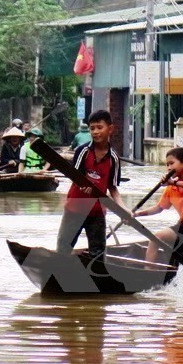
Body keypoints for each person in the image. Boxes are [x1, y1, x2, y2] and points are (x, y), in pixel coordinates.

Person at [56, 109, 129, 259]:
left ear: (110, 129)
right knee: (63, 248)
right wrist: (83, 186)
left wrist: (123, 210)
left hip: (97, 212)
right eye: (92, 128)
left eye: (99, 127)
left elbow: (113, 188)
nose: (95, 132)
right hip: (74, 209)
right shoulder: (83, 151)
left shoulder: (114, 158)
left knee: (98, 255)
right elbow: (75, 177)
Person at [133, 147, 183, 269]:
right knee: (155, 238)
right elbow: (159, 208)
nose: (169, 168)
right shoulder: (171, 188)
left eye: (172, 163)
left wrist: (173, 182)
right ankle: (148, 271)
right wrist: (136, 214)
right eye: (167, 165)